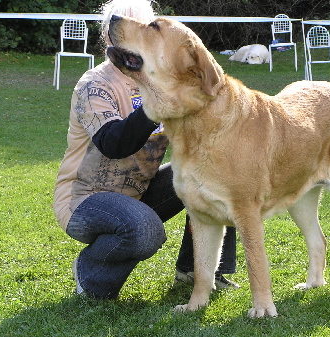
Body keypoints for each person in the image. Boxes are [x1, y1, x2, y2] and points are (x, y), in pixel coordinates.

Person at [53, 0, 238, 300]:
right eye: (126, 28)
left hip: (139, 192)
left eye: (146, 30)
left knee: (215, 175)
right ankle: (90, 274)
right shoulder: (94, 84)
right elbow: (113, 144)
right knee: (145, 229)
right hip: (84, 201)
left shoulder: (157, 80)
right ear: (112, 36)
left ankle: (197, 270)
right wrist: (156, 104)